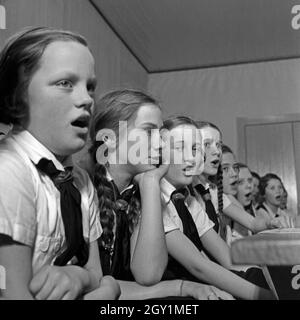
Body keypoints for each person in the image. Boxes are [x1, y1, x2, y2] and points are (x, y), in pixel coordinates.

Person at [0, 26, 119, 300]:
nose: (87, 99)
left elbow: (95, 273)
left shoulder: (81, 181)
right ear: (17, 97)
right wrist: (106, 291)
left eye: (90, 87)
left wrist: (79, 276)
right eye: (65, 83)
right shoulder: (9, 170)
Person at [87, 89, 231, 300]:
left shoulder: (138, 192)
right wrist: (181, 287)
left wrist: (152, 183)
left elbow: (148, 274)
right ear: (109, 138)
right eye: (148, 132)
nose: (160, 143)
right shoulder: (84, 188)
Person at [159, 115, 273, 300]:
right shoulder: (159, 197)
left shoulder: (190, 198)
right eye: (181, 148)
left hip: (203, 278)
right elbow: (199, 265)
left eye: (195, 148)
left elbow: (225, 256)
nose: (192, 156)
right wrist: (263, 296)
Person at [191, 123, 285, 245]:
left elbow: (252, 223)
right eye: (207, 144)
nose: (216, 151)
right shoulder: (188, 191)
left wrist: (270, 223)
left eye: (218, 144)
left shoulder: (213, 192)